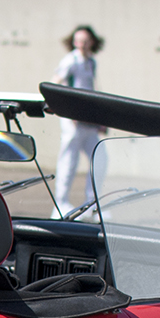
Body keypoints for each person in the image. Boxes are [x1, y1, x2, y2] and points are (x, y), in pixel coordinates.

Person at [54, 24, 105, 210]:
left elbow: (92, 90)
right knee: (68, 162)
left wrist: (99, 118)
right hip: (72, 122)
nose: (81, 44)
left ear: (91, 42)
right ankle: (60, 205)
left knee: (99, 159)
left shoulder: (91, 62)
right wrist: (68, 110)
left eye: (85, 41)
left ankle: (92, 205)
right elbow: (55, 83)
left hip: (88, 121)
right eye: (78, 41)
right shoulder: (70, 61)